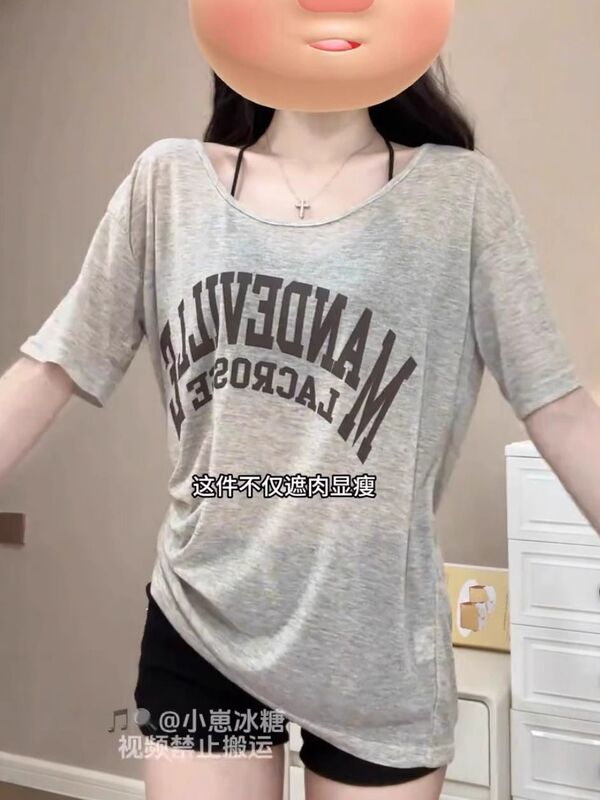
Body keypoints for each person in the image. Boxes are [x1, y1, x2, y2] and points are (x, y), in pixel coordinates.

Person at [1, 1, 593, 798]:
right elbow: (51, 367)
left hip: (375, 645)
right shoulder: (168, 183)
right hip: (201, 621)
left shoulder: (461, 196)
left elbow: (560, 408)